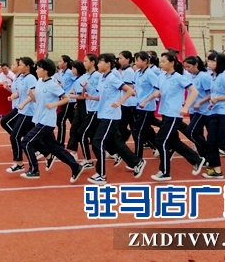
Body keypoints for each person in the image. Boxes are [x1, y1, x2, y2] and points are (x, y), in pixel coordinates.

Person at [19, 58, 86, 183]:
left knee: (26, 143)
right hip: (39, 119)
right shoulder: (39, 82)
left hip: (46, 121)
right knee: (55, 148)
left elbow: (65, 98)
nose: (37, 70)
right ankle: (75, 166)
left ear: (45, 71)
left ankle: (34, 170)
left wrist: (54, 105)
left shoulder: (52, 85)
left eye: (39, 68)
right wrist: (31, 96)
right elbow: (37, 100)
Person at [86, 54, 146, 185]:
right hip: (103, 114)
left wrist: (119, 102)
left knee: (98, 142)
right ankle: (137, 162)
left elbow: (130, 91)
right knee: (117, 143)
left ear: (108, 64)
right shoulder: (102, 77)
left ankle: (101, 174)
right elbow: (103, 97)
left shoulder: (112, 77)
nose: (98, 64)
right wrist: (90, 97)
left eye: (100, 62)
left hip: (111, 115)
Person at [149, 52, 204, 181]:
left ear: (172, 63)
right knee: (173, 141)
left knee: (160, 140)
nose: (161, 63)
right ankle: (196, 159)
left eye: (164, 61)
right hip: (165, 112)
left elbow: (194, 92)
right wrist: (147, 100)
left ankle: (165, 172)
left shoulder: (179, 78)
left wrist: (186, 107)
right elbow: (158, 91)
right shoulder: (161, 77)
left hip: (174, 113)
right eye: (161, 61)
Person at [5, 57, 38, 173]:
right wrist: (14, 96)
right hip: (22, 110)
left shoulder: (31, 78)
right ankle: (47, 154)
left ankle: (20, 163)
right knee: (23, 136)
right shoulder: (23, 77)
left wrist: (23, 103)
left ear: (27, 67)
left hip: (28, 111)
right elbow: (21, 92)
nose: (18, 67)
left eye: (20, 65)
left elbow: (33, 94)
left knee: (15, 135)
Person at [183, 56, 212, 162]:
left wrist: (200, 102)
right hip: (193, 109)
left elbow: (211, 94)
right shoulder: (190, 76)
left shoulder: (204, 77)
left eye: (189, 66)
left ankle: (210, 150)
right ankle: (204, 156)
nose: (187, 69)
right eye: (185, 67)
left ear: (196, 65)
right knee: (197, 134)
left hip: (203, 110)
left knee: (192, 131)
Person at [132, 51, 159, 159]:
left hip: (146, 107)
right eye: (135, 60)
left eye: (138, 60)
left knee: (137, 131)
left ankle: (137, 159)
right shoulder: (137, 73)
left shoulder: (150, 74)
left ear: (145, 61)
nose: (136, 62)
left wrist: (145, 101)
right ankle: (163, 147)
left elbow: (157, 90)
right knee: (146, 130)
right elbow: (134, 88)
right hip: (137, 105)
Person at [65, 60, 88, 160]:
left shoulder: (80, 79)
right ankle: (73, 151)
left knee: (80, 129)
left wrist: (70, 95)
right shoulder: (78, 79)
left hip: (84, 106)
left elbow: (82, 96)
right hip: (80, 106)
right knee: (75, 128)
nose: (72, 70)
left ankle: (110, 148)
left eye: (74, 68)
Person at [55, 55, 75, 145]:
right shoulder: (60, 73)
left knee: (60, 120)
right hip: (63, 99)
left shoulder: (70, 72)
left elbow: (77, 81)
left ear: (66, 63)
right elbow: (60, 83)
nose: (58, 63)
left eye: (60, 61)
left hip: (69, 100)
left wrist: (73, 90)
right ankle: (82, 137)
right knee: (74, 122)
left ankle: (60, 142)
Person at [0, 60, 22, 135]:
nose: (11, 66)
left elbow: (23, 93)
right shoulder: (15, 77)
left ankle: (17, 137)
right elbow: (15, 92)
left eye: (13, 65)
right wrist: (8, 89)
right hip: (15, 105)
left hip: (21, 107)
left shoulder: (22, 78)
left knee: (5, 122)